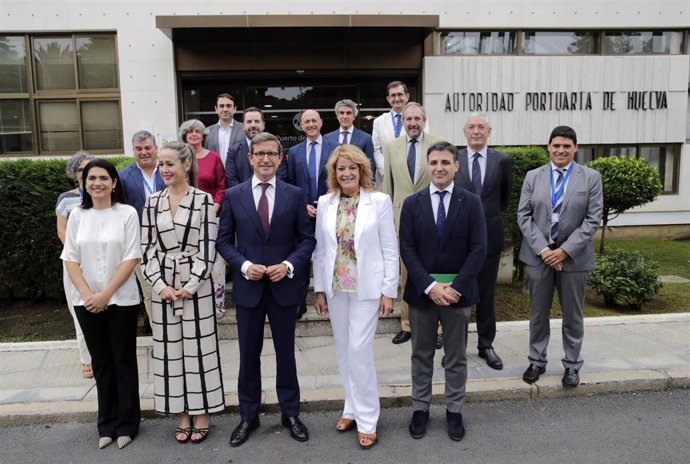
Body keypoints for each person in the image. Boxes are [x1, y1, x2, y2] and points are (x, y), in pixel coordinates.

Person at [217, 132, 316, 447]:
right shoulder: (233, 195)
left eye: (272, 153)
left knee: (286, 354)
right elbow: (223, 241)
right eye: (259, 153)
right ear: (250, 158)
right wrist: (244, 266)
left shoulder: (295, 194)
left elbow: (307, 240)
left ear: (280, 158)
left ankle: (290, 413)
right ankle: (249, 415)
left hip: (284, 286)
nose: (265, 159)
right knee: (248, 355)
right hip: (248, 289)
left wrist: (288, 266)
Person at [313, 145, 399, 450]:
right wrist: (319, 289)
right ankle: (351, 407)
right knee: (343, 351)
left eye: (352, 168)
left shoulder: (379, 201)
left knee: (359, 351)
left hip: (367, 289)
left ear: (362, 171)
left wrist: (389, 290)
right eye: (340, 169)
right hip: (336, 288)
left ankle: (367, 419)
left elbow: (390, 248)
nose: (346, 173)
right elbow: (321, 249)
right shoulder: (325, 202)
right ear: (333, 174)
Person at [399, 141, 487, 442]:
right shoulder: (412, 203)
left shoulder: (471, 202)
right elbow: (407, 250)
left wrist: (456, 287)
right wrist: (430, 286)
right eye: (434, 162)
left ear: (456, 166)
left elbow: (479, 249)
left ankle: (454, 410)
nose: (439, 168)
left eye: (445, 162)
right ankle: (421, 408)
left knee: (456, 356)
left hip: (458, 294)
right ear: (428, 165)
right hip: (423, 293)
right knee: (421, 354)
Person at [141, 141, 225, 444]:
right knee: (169, 351)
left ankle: (202, 412)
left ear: (185, 165)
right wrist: (161, 286)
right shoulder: (152, 202)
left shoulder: (203, 201)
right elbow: (146, 250)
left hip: (196, 288)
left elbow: (208, 249)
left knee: (200, 351)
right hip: (163, 289)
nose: (163, 169)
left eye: (169, 164)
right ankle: (181, 413)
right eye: (161, 164)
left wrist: (188, 288)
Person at [61, 158, 142, 450]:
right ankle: (106, 423)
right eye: (92, 178)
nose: (97, 183)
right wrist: (88, 296)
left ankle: (128, 423)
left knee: (123, 359)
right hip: (85, 301)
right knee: (101, 363)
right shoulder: (77, 216)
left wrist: (105, 294)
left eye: (104, 178)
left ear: (114, 183)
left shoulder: (127, 213)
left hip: (121, 299)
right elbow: (70, 258)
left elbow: (132, 257)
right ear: (84, 183)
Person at [517, 125, 603, 388]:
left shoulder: (590, 178)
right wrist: (544, 250)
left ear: (575, 148)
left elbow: (592, 219)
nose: (561, 150)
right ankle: (536, 361)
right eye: (556, 145)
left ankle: (572, 365)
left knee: (573, 316)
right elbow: (523, 216)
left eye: (567, 146)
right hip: (539, 257)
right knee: (538, 314)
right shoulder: (533, 176)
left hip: (573, 259)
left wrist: (564, 251)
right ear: (549, 147)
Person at [382, 102, 445, 345]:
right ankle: (407, 325)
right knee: (406, 275)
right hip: (401, 220)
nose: (413, 123)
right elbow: (388, 187)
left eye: (417, 119)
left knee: (436, 272)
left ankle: (438, 328)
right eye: (408, 119)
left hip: (433, 218)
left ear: (424, 120)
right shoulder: (391, 146)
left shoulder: (438, 143)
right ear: (403, 122)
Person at [454, 113, 512, 370]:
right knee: (458, 293)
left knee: (486, 294)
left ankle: (486, 344)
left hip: (490, 236)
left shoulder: (503, 160)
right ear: (464, 132)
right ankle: (456, 347)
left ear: (489, 131)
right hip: (459, 240)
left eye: (481, 127)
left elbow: (504, 199)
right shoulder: (454, 158)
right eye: (471, 127)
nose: (476, 131)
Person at [287, 109, 339, 318]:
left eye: (313, 121)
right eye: (306, 121)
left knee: (329, 255)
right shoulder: (294, 151)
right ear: (301, 125)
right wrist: (302, 205)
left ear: (320, 123)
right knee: (301, 259)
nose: (310, 124)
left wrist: (328, 203)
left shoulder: (335, 148)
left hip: (330, 211)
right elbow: (290, 183)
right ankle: (299, 304)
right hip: (302, 213)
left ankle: (330, 299)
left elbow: (340, 179)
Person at [180, 119, 227, 318]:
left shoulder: (214, 157)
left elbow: (221, 186)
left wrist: (213, 207)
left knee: (216, 263)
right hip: (185, 218)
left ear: (203, 135)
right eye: (190, 132)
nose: (194, 134)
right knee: (191, 260)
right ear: (184, 135)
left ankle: (218, 305)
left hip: (212, 216)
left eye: (197, 131)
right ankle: (194, 302)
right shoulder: (180, 159)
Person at [119, 130, 165, 326]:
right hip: (140, 243)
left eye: (148, 148)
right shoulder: (123, 177)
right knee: (149, 291)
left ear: (156, 148)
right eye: (139, 149)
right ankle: (160, 336)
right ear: (133, 151)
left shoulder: (169, 169)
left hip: (171, 240)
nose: (144, 152)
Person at [56, 151, 94, 379]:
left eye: (90, 168)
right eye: (81, 169)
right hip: (74, 262)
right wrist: (76, 256)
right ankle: (87, 359)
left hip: (102, 261)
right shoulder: (66, 198)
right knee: (79, 309)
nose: (86, 173)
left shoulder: (104, 193)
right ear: (75, 174)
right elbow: (62, 231)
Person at [225, 106, 287, 187]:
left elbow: (281, 176)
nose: (253, 125)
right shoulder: (233, 151)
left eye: (257, 121)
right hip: (242, 197)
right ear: (243, 126)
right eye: (249, 121)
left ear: (263, 125)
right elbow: (231, 179)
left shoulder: (277, 148)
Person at [323, 99, 375, 181]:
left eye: (348, 113)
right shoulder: (327, 138)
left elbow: (370, 168)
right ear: (337, 116)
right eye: (341, 113)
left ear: (354, 116)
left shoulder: (366, 138)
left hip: (357, 185)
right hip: (333, 186)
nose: (345, 116)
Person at [372, 81, 411, 186]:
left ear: (407, 96)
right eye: (393, 95)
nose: (397, 98)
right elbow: (376, 150)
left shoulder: (418, 119)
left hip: (410, 176)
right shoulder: (378, 122)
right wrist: (386, 172)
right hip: (385, 177)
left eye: (400, 94)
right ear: (388, 99)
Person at [204, 93, 243, 166]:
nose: (225, 109)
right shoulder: (207, 132)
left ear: (234, 109)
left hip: (238, 176)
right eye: (221, 106)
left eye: (228, 106)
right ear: (216, 109)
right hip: (215, 175)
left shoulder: (244, 129)